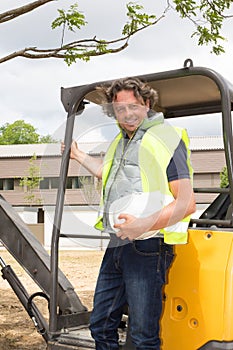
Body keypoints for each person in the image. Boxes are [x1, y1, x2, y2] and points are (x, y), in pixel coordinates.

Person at [63, 77, 196, 349]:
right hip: (118, 243)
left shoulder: (166, 138)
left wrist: (142, 224)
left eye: (133, 106)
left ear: (146, 103)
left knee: (142, 335)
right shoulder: (121, 141)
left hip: (148, 245)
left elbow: (186, 202)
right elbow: (107, 174)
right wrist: (79, 157)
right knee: (100, 324)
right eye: (120, 109)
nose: (127, 114)